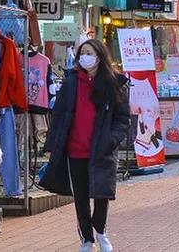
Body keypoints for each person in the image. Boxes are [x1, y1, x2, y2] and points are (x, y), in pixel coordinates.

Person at [40, 39, 130, 252]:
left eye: (89, 53)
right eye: (82, 53)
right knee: (80, 197)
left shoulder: (112, 83)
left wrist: (111, 140)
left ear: (99, 56)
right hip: (75, 149)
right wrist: (51, 144)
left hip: (102, 149)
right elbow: (59, 115)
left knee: (101, 195)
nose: (85, 57)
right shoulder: (71, 83)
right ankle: (87, 239)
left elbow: (122, 118)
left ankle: (100, 230)